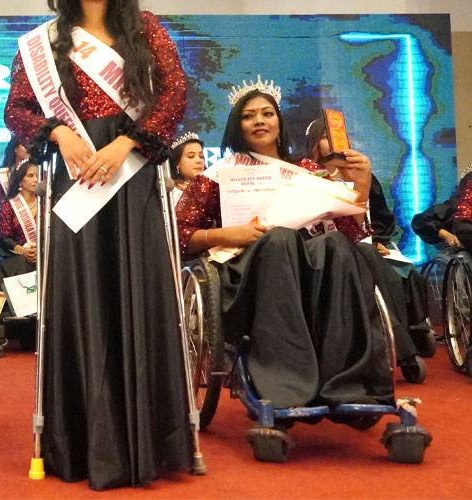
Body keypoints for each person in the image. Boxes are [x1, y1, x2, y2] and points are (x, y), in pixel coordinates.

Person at [3, 0, 191, 489]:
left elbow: (174, 94)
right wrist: (60, 133)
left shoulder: (146, 28)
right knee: (81, 294)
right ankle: (85, 442)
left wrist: (126, 143)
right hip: (77, 174)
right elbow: (18, 109)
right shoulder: (43, 43)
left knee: (139, 289)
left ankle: (146, 442)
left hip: (131, 173)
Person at [175, 77, 394, 418]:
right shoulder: (218, 175)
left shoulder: (307, 171)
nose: (259, 121)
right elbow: (180, 234)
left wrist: (361, 185)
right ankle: (285, 385)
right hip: (245, 272)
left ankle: (349, 384)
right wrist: (225, 235)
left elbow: (349, 230)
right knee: (280, 239)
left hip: (310, 267)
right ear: (237, 126)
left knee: (336, 245)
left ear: (279, 122)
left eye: (267, 114)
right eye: (248, 116)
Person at [304, 115, 432, 363]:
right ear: (314, 143)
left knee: (399, 272)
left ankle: (407, 336)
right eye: (325, 137)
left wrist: (377, 239)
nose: (334, 142)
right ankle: (397, 348)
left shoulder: (360, 173)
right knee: (368, 262)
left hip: (363, 241)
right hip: (322, 247)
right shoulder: (306, 174)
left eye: (338, 137)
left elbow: (380, 216)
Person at [0, 161, 39, 299]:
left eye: (38, 176)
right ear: (20, 180)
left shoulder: (45, 204)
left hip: (42, 255)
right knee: (22, 263)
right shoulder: (8, 205)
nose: (36, 180)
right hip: (14, 256)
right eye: (30, 176)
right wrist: (23, 251)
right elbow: (4, 238)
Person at [168, 132, 205, 206]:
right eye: (191, 156)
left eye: (201, 156)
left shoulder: (212, 187)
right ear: (177, 162)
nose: (199, 161)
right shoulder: (173, 193)